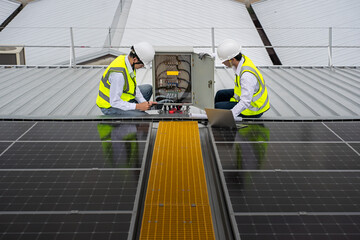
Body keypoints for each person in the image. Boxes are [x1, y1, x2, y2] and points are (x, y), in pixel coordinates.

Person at [96, 42, 157, 116]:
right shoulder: (118, 75)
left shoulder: (128, 61)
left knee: (148, 89)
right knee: (143, 116)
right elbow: (115, 102)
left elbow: (134, 87)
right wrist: (138, 106)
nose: (142, 66)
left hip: (123, 97)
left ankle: (134, 110)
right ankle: (133, 115)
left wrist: (144, 103)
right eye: (142, 64)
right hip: (110, 106)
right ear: (135, 59)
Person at [215, 39, 270, 118]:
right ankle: (216, 114)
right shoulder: (241, 59)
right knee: (220, 94)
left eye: (224, 61)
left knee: (218, 106)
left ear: (232, 60)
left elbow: (245, 102)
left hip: (253, 108)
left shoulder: (247, 76)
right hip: (247, 97)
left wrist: (230, 115)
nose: (222, 63)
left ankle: (217, 116)